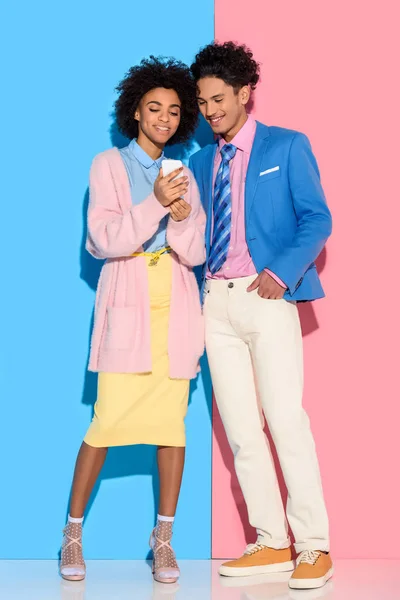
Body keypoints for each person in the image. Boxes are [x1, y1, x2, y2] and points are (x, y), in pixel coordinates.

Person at [189, 42, 333, 591]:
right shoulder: (202, 162)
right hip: (216, 303)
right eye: (202, 102)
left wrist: (280, 273)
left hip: (267, 295)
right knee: (242, 431)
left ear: (245, 92)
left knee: (284, 418)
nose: (210, 111)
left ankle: (314, 545)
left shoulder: (287, 146)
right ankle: (272, 541)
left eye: (218, 99)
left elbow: (317, 218)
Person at [60, 56, 206, 585]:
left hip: (176, 301)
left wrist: (184, 219)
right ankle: (73, 534)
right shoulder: (107, 165)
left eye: (173, 111)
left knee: (172, 427)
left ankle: (163, 540)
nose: (164, 119)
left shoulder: (181, 171)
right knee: (107, 421)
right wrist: (156, 208)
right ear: (136, 112)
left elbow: (195, 252)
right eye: (154, 109)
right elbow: (103, 241)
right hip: (130, 298)